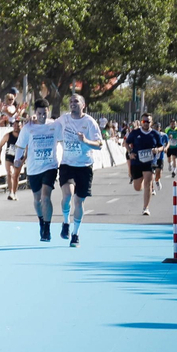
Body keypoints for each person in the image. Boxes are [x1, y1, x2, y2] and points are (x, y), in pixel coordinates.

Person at [54, 93, 104, 247]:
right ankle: (65, 222)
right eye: (71, 101)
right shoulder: (64, 119)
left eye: (76, 101)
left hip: (84, 166)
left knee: (79, 201)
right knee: (67, 195)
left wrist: (86, 140)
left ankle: (75, 234)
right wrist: (35, 120)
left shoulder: (89, 122)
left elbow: (99, 144)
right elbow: (50, 126)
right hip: (67, 164)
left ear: (83, 105)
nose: (73, 103)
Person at [16, 100, 61, 241]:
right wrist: (17, 159)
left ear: (48, 111)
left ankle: (47, 228)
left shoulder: (54, 125)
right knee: (37, 199)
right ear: (35, 112)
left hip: (50, 166)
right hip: (34, 168)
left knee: (46, 196)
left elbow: (64, 139)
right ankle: (41, 220)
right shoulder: (28, 128)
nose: (42, 116)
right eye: (39, 113)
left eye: (44, 113)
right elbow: (20, 145)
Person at [124, 113, 166, 216]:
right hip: (137, 162)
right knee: (137, 187)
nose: (146, 123)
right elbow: (126, 143)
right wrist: (130, 152)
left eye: (148, 121)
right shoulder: (135, 133)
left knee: (148, 183)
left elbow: (162, 147)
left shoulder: (155, 134)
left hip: (150, 162)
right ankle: (141, 182)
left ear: (151, 123)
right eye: (144, 121)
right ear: (141, 122)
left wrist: (157, 150)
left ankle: (146, 208)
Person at [0, 121, 22, 200]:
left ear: (21, 126)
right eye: (14, 125)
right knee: (10, 173)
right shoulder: (8, 135)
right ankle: (11, 192)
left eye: (18, 126)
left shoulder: (23, 136)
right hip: (9, 157)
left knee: (16, 176)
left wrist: (25, 158)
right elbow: (0, 145)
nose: (16, 127)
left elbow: (28, 147)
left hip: (19, 158)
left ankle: (15, 192)